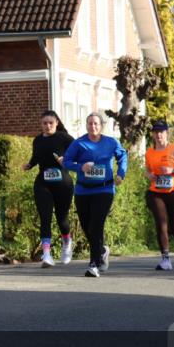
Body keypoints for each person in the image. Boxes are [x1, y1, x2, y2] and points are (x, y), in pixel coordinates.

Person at [62, 112, 127, 278]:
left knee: (96, 225)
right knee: (86, 226)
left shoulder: (110, 142)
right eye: (90, 123)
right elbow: (67, 162)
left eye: (96, 124)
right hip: (83, 189)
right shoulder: (79, 143)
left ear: (101, 126)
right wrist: (81, 167)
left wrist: (121, 173)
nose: (93, 126)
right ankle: (102, 250)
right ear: (86, 125)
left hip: (104, 189)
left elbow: (122, 156)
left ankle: (94, 264)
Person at [22, 110, 75, 267]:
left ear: (56, 123)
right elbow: (36, 157)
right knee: (45, 217)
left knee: (61, 218)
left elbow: (78, 154)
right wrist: (29, 165)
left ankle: (67, 243)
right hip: (43, 182)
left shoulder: (64, 138)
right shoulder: (38, 140)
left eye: (51, 123)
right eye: (44, 123)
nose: (47, 126)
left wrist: (66, 160)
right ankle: (47, 255)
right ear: (41, 124)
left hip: (63, 183)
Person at [144, 120, 174, 271]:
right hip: (156, 192)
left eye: (161, 132)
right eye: (156, 132)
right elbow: (147, 170)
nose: (158, 135)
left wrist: (173, 170)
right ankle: (165, 259)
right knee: (161, 223)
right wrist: (150, 175)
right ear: (153, 135)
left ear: (166, 133)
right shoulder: (149, 152)